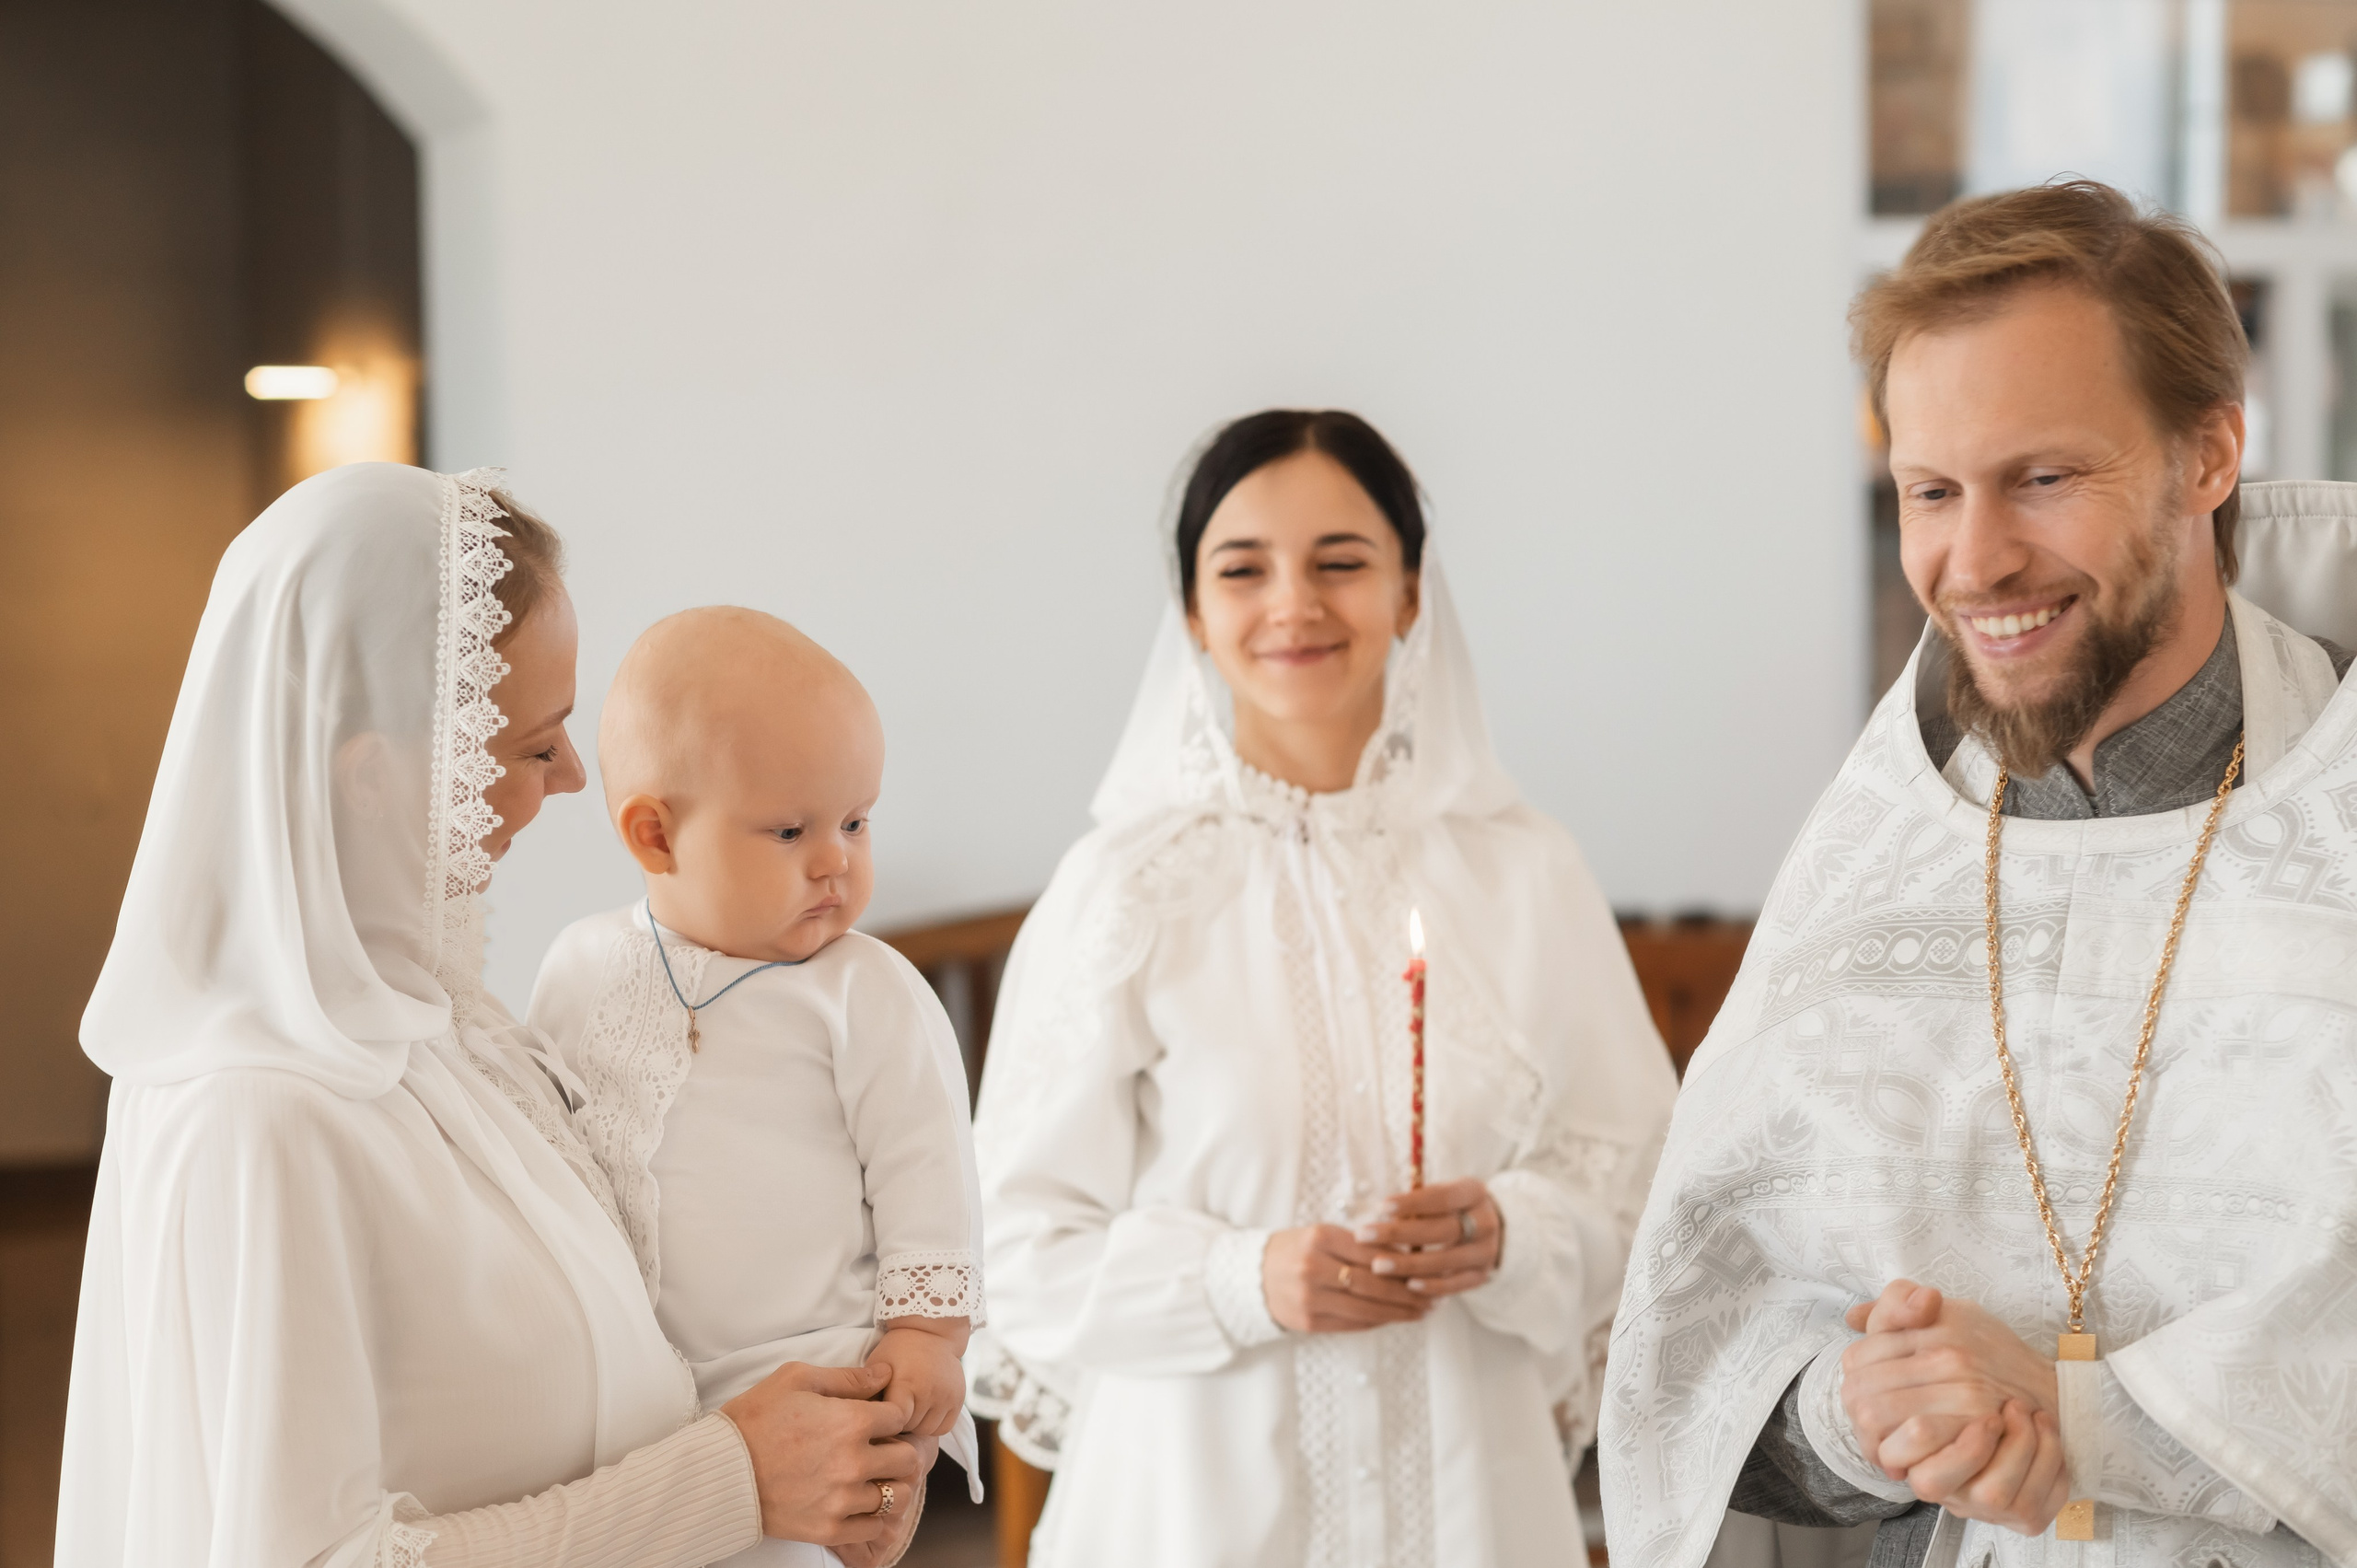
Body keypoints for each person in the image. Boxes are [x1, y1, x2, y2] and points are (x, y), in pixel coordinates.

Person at [1602, 180, 2357, 1568]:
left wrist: (2085, 1419)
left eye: (2045, 477)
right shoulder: (1874, 858)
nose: (1976, 559)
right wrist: (1857, 1411)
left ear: (2209, 458)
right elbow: (1686, 1392)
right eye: (1932, 492)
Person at [57, 464, 927, 1567]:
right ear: (377, 774)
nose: (571, 776)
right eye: (532, 742)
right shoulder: (258, 1116)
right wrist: (735, 1477)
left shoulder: (446, 1027)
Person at [970, 410, 1678, 1567]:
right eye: (1243, 570)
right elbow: (1015, 1251)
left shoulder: (1521, 871)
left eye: (1341, 562)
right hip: (1191, 1512)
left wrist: (1510, 1230)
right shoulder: (1124, 890)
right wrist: (1243, 1277)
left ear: (1409, 593)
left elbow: (1642, 1194)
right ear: (1194, 615)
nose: (1293, 603)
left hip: (1470, 1505)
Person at [528, 608, 988, 1566]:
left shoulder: (866, 990)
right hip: (633, 1401)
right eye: (790, 829)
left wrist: (926, 1332)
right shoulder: (579, 968)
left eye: (857, 820)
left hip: (815, 1388)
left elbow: (925, 1169)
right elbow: (546, 1148)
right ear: (655, 834)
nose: (837, 859)